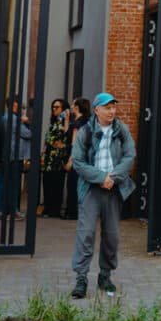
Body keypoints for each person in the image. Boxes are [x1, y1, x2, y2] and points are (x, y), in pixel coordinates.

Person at [68, 92, 134, 299]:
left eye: (114, 107)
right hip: (91, 189)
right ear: (97, 110)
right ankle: (81, 278)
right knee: (86, 233)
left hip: (113, 188)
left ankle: (105, 276)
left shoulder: (121, 130)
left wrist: (113, 177)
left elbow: (130, 155)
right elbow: (77, 162)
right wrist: (100, 177)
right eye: (107, 108)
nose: (112, 111)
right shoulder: (86, 131)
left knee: (112, 235)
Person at [0, 99, 31, 221]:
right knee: (12, 184)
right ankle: (11, 210)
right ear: (15, 105)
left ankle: (1, 209)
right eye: (21, 107)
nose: (22, 110)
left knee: (2, 181)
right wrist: (27, 123)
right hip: (14, 155)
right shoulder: (15, 119)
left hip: (6, 155)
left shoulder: (5, 117)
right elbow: (28, 134)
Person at [61, 97, 91, 220]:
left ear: (77, 107)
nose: (71, 107)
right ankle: (74, 212)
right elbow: (67, 132)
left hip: (77, 158)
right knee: (77, 185)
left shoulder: (79, 124)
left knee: (73, 185)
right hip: (83, 158)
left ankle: (72, 212)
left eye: (73, 105)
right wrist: (67, 119)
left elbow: (75, 143)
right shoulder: (82, 121)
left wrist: (70, 161)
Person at [40, 98, 71, 217]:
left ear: (63, 109)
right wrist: (43, 154)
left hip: (59, 158)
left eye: (57, 107)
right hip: (49, 156)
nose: (54, 109)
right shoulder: (53, 122)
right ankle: (47, 207)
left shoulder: (65, 122)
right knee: (47, 182)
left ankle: (55, 209)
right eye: (53, 107)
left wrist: (67, 119)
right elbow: (47, 139)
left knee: (57, 183)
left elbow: (67, 135)